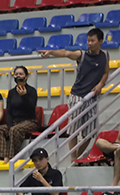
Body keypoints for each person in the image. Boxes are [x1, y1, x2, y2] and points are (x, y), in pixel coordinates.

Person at [40, 28, 109, 157]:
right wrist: (50, 52)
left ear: (100, 41)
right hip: (77, 96)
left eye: (93, 41)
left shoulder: (105, 55)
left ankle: (77, 156)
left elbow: (106, 72)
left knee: (90, 132)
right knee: (74, 130)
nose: (89, 43)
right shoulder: (81, 55)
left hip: (92, 97)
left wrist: (100, 84)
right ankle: (74, 159)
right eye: (88, 40)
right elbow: (66, 53)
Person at [0, 66, 39, 161]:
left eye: (20, 74)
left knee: (14, 130)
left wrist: (24, 96)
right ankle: (2, 156)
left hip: (29, 121)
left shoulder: (32, 91)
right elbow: (9, 110)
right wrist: (9, 124)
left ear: (26, 76)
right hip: (15, 122)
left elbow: (31, 108)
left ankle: (11, 157)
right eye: (16, 74)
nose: (18, 76)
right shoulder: (11, 92)